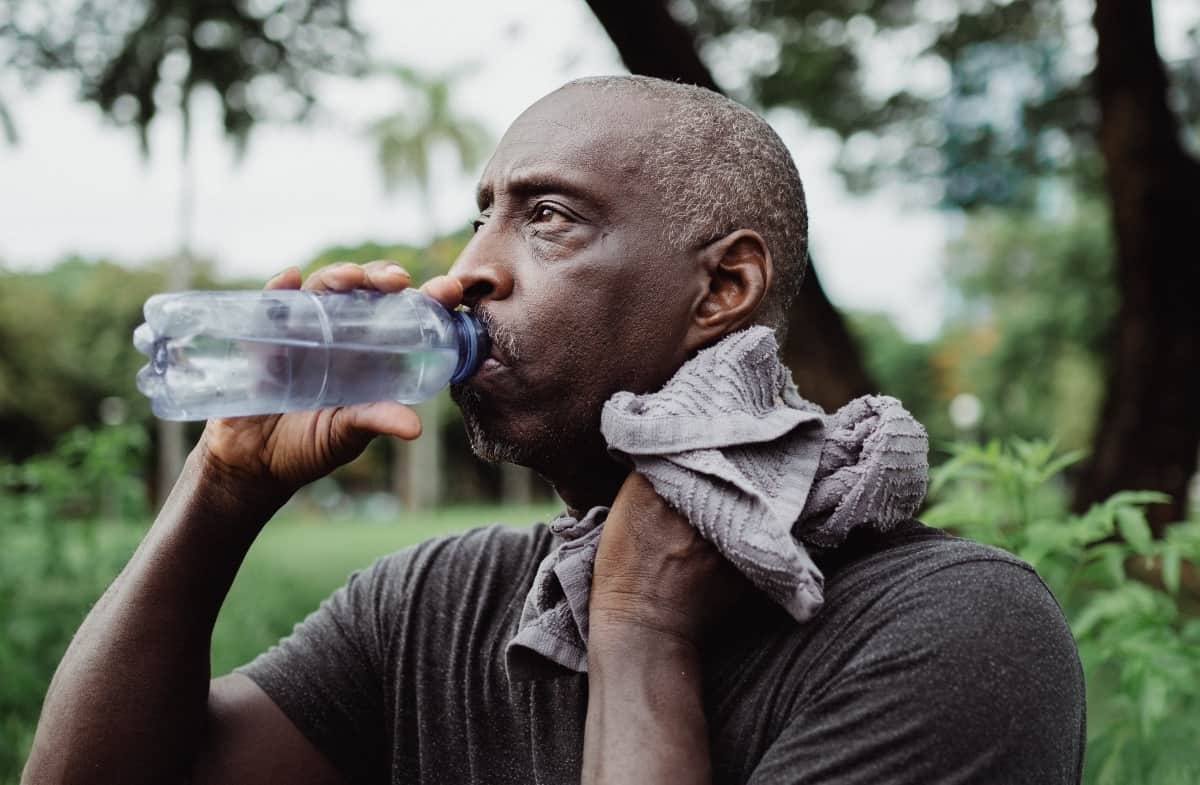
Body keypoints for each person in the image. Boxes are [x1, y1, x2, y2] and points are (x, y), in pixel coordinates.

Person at [23, 76, 1085, 785]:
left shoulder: (953, 631)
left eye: (547, 217)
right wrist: (221, 490)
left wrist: (638, 630)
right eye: (481, 211)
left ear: (723, 285)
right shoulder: (432, 604)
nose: (470, 267)